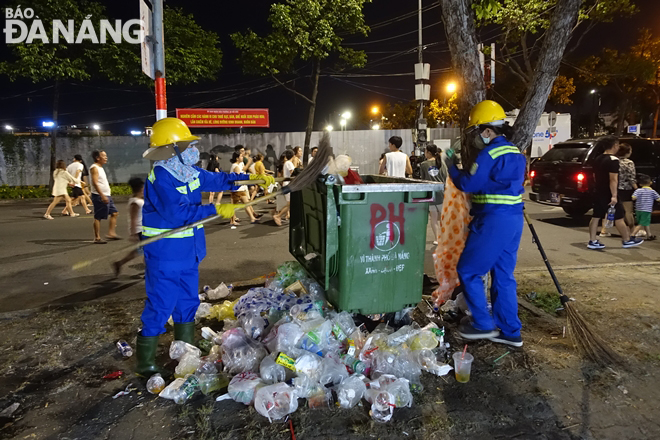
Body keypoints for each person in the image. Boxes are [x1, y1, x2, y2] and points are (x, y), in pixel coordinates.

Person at [136, 117, 273, 377]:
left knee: (187, 299)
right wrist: (216, 208)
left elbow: (218, 180)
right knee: (161, 303)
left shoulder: (187, 170)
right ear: (171, 148)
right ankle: (144, 362)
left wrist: (252, 179)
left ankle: (185, 346)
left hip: (189, 251)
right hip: (166, 254)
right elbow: (178, 215)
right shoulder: (162, 177)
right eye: (186, 145)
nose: (192, 149)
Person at [448, 100, 526, 347]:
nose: (475, 138)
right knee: (503, 275)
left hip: (492, 220)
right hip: (513, 220)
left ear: (487, 130)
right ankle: (510, 331)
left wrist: (451, 166)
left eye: (475, 132)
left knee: (469, 270)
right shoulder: (515, 152)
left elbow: (468, 184)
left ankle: (482, 324)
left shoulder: (489, 153)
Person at [587, 136, 643, 249]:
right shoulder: (613, 160)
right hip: (608, 192)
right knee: (619, 216)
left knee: (596, 216)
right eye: (617, 144)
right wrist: (614, 196)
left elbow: (594, 175)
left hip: (598, 190)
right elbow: (613, 179)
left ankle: (592, 240)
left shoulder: (598, 158)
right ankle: (626, 240)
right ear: (614, 146)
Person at [601, 143, 636, 236]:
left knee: (609, 209)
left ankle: (604, 230)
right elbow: (631, 178)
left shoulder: (613, 161)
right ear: (627, 152)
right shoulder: (629, 162)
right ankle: (632, 231)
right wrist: (636, 188)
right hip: (626, 189)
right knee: (628, 211)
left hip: (613, 188)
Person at [112, 178, 145, 276]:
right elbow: (133, 218)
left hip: (144, 229)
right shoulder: (135, 202)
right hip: (140, 230)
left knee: (139, 251)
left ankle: (119, 263)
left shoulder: (139, 199)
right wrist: (133, 233)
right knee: (147, 251)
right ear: (141, 189)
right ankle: (149, 272)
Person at [419, 144, 448, 246]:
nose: (424, 153)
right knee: (442, 218)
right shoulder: (442, 163)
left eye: (425, 151)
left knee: (433, 217)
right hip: (441, 193)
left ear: (429, 153)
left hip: (429, 193)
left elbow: (422, 180)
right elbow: (446, 179)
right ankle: (445, 237)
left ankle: (436, 238)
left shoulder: (423, 164)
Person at [90, 150, 120, 243]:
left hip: (107, 195)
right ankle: (97, 238)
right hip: (99, 196)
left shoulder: (100, 167)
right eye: (104, 156)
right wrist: (102, 195)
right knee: (98, 217)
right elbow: (95, 183)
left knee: (114, 213)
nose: (106, 157)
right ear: (98, 158)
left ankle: (111, 233)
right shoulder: (94, 168)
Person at [229, 151, 257, 227]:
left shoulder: (239, 164)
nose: (242, 157)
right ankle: (232, 221)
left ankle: (252, 218)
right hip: (236, 189)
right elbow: (240, 176)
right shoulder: (235, 166)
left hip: (240, 188)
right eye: (241, 156)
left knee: (246, 203)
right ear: (237, 158)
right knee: (234, 206)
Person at [631, 174, 659, 241]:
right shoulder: (652, 192)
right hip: (646, 210)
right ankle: (632, 235)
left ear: (640, 184)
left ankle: (649, 235)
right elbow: (658, 199)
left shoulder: (638, 191)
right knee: (641, 223)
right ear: (650, 183)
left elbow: (633, 198)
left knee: (645, 222)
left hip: (638, 209)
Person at [273, 149, 295, 226]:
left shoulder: (287, 163)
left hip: (287, 184)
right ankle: (278, 216)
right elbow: (293, 173)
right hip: (288, 184)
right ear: (293, 156)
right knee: (289, 203)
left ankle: (285, 215)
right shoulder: (289, 163)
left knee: (290, 203)